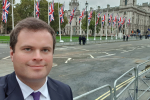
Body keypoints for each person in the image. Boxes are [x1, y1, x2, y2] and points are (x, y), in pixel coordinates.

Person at [0, 17, 73, 100]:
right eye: (28, 49)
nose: (38, 57)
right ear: (12, 54)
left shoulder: (65, 91)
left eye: (45, 50)